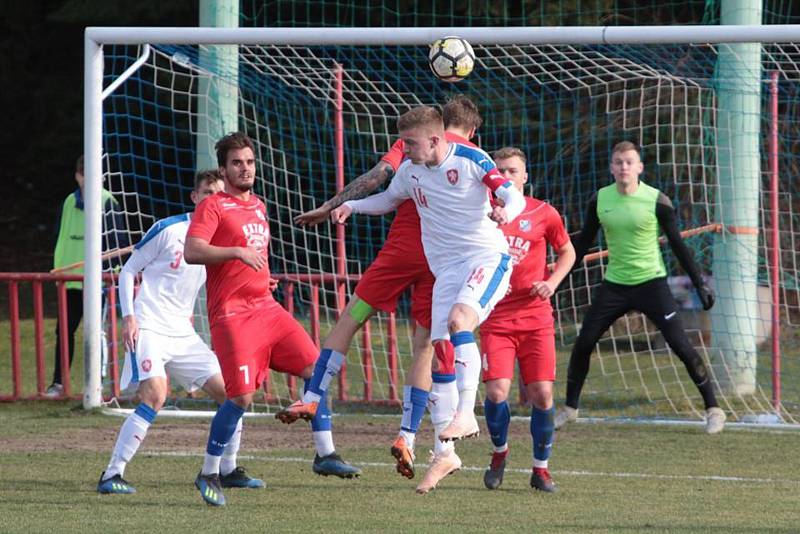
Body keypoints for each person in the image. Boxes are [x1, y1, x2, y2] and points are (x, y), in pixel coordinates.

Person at [278, 96, 483, 484]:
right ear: (472, 130)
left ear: (436, 130)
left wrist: (335, 206)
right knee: (427, 344)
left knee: (352, 316)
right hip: (444, 261)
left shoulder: (411, 145)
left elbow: (378, 180)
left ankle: (313, 396)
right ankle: (409, 435)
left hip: (404, 251)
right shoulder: (474, 156)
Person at [329, 106, 526, 493]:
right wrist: (351, 206)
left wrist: (507, 211)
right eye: (403, 143)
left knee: (458, 323)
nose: (406, 149)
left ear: (435, 140)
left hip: (486, 258)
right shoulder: (411, 170)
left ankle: (467, 414)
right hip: (447, 270)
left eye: (412, 143)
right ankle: (445, 454)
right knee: (440, 348)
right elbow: (387, 199)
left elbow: (509, 194)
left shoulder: (471, 159)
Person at [184, 132, 360, 507]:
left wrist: (263, 276)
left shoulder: (260, 205)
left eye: (249, 162)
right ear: (224, 168)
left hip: (266, 306)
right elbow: (192, 250)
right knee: (241, 397)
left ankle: (325, 454)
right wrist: (236, 253)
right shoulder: (213, 206)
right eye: (236, 163)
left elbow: (253, 256)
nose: (245, 169)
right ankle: (210, 471)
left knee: (317, 369)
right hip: (232, 314)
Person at [97, 170, 265, 494]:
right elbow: (128, 270)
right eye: (206, 193)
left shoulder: (222, 239)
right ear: (194, 197)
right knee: (155, 395)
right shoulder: (169, 229)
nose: (212, 199)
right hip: (149, 325)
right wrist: (129, 317)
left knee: (235, 394)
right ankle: (111, 475)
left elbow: (234, 279)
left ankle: (228, 470)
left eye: (218, 194)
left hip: (183, 333)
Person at [554, 141, 726, 434]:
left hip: (652, 284)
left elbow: (677, 245)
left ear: (639, 167)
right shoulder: (600, 200)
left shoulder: (657, 200)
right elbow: (581, 245)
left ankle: (714, 409)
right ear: (611, 167)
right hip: (615, 286)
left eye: (629, 162)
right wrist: (557, 281)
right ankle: (570, 409)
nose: (623, 167)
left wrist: (699, 284)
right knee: (584, 343)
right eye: (618, 162)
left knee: (681, 346)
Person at [479, 147, 575, 493]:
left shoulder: (543, 213)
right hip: (496, 315)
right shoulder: (481, 213)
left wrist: (550, 283)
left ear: (524, 176)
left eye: (512, 171)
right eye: (500, 171)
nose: (505, 176)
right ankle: (499, 453)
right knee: (497, 390)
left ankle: (541, 469)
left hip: (535, 316)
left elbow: (567, 251)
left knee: (543, 394)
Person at [47, 155, 129, 397]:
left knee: (98, 332)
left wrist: (108, 271)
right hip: (71, 279)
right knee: (64, 331)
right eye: (84, 174)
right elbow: (60, 237)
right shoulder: (69, 202)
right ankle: (58, 383)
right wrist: (59, 267)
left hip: (98, 282)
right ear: (78, 175)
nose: (87, 179)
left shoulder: (107, 202)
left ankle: (99, 383)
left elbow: (119, 242)